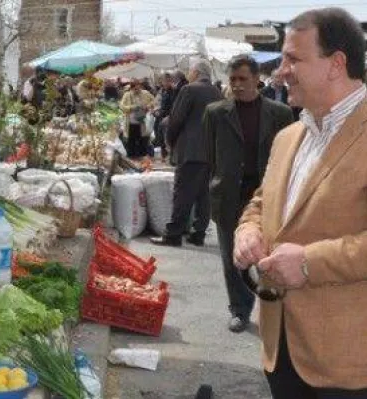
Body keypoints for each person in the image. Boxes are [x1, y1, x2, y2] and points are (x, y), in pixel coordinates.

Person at [233, 8, 367, 397]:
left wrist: (309, 262)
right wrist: (248, 230)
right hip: (282, 352)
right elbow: (261, 201)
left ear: (336, 64)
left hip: (348, 365)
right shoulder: (289, 136)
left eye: (294, 58)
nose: (280, 70)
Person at [204, 55, 294, 333]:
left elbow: (288, 155)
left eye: (243, 79)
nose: (238, 85)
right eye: (233, 80)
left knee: (268, 255)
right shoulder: (216, 113)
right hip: (229, 196)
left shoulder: (279, 113)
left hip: (267, 196)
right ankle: (240, 309)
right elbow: (211, 156)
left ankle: (275, 308)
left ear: (257, 79)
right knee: (234, 257)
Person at [151, 59, 222, 247]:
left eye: (190, 71)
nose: (188, 74)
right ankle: (198, 233)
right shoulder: (217, 92)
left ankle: (173, 234)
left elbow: (176, 119)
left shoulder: (189, 90)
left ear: (196, 73)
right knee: (203, 194)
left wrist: (169, 141)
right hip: (210, 151)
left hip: (190, 150)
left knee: (182, 192)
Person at [119, 79, 155, 158]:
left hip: (142, 122)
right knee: (131, 142)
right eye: (135, 88)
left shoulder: (145, 93)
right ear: (132, 88)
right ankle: (132, 158)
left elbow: (153, 101)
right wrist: (132, 107)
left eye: (138, 87)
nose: (137, 89)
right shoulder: (127, 95)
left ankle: (143, 157)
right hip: (130, 122)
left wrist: (147, 106)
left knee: (143, 141)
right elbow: (122, 106)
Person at [152, 72, 174, 161]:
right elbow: (161, 104)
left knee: (167, 138)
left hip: (168, 118)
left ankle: (168, 157)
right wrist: (156, 111)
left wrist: (162, 113)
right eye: (163, 81)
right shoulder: (163, 91)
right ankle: (164, 157)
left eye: (166, 81)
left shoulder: (173, 92)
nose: (164, 83)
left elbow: (172, 106)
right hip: (160, 117)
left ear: (170, 81)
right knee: (160, 138)